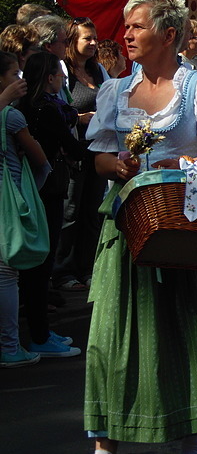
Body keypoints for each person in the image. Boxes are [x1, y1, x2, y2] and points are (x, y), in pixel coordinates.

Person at [83, 0, 197, 452]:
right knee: (109, 338)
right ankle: (105, 442)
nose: (126, 34)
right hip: (123, 230)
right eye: (126, 25)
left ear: (168, 33)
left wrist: (190, 166)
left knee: (180, 337)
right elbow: (99, 158)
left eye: (137, 26)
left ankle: (189, 442)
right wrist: (116, 166)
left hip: (179, 229)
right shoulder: (116, 90)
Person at [16, 51, 84, 359]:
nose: (62, 80)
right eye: (59, 75)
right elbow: (73, 148)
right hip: (48, 186)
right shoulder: (48, 110)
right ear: (49, 77)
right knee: (42, 262)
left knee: (36, 264)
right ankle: (40, 335)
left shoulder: (25, 107)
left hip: (30, 186)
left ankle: (41, 331)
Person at [52, 17, 110, 292]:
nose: (93, 43)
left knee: (92, 211)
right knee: (71, 210)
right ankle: (62, 271)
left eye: (95, 38)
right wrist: (79, 118)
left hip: (97, 151)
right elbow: (57, 108)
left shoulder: (99, 71)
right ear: (72, 41)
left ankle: (87, 267)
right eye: (87, 38)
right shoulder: (64, 72)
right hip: (73, 153)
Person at [0, 50, 49, 368]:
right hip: (8, 202)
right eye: (14, 74)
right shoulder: (11, 116)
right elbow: (41, 162)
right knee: (6, 274)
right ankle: (10, 345)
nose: (20, 80)